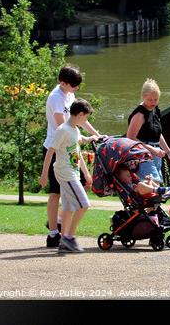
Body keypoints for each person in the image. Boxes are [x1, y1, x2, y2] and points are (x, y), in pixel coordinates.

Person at [43, 65, 104, 248]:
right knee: (55, 193)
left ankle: (62, 226)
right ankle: (54, 232)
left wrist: (97, 134)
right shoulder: (56, 98)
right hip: (57, 148)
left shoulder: (68, 94)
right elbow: (67, 127)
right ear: (63, 83)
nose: (76, 89)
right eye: (74, 85)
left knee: (68, 195)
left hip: (69, 147)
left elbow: (79, 119)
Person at [40, 99, 97, 253]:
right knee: (84, 205)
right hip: (65, 173)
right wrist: (44, 174)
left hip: (73, 172)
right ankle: (69, 237)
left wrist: (86, 172)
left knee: (68, 208)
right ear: (79, 115)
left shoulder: (74, 129)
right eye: (85, 118)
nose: (86, 121)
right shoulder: (62, 130)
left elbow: (78, 147)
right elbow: (50, 151)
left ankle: (63, 242)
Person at [126, 78, 170, 184]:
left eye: (156, 99)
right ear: (143, 97)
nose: (153, 102)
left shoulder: (155, 110)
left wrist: (169, 153)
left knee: (156, 184)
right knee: (152, 184)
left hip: (156, 153)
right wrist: (152, 150)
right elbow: (130, 138)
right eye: (150, 100)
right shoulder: (139, 114)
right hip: (142, 154)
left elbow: (157, 134)